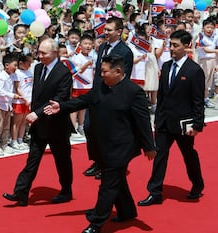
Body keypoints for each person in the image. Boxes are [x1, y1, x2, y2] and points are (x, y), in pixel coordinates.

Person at [44, 54, 156, 233]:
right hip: (101, 144)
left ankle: (96, 223)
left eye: (104, 71)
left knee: (108, 184)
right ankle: (127, 211)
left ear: (118, 71)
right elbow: (83, 101)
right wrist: (61, 107)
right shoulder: (100, 86)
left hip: (120, 147)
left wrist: (149, 146)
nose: (101, 74)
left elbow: (143, 121)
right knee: (117, 180)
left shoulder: (133, 92)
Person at [2, 38, 74, 206]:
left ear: (55, 53)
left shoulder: (63, 73)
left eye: (44, 53)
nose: (40, 56)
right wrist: (33, 112)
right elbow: (37, 95)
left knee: (62, 159)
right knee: (33, 158)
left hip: (57, 124)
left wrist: (38, 113)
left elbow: (59, 99)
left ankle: (66, 190)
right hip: (39, 123)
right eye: (39, 52)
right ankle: (21, 192)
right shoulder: (39, 68)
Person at [138, 30, 205, 206]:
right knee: (159, 155)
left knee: (188, 155)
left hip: (184, 124)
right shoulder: (167, 66)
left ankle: (197, 184)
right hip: (164, 122)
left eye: (175, 45)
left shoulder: (194, 70)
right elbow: (162, 95)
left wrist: (197, 125)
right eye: (170, 45)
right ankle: (155, 192)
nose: (171, 48)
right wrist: (157, 117)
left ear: (187, 46)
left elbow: (198, 100)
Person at [83, 16, 134, 179]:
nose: (105, 32)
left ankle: (107, 165)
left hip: (112, 96)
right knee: (89, 127)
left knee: (107, 132)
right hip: (97, 93)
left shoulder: (125, 51)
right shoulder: (103, 47)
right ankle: (97, 160)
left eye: (109, 30)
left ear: (119, 32)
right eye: (105, 29)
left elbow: (124, 77)